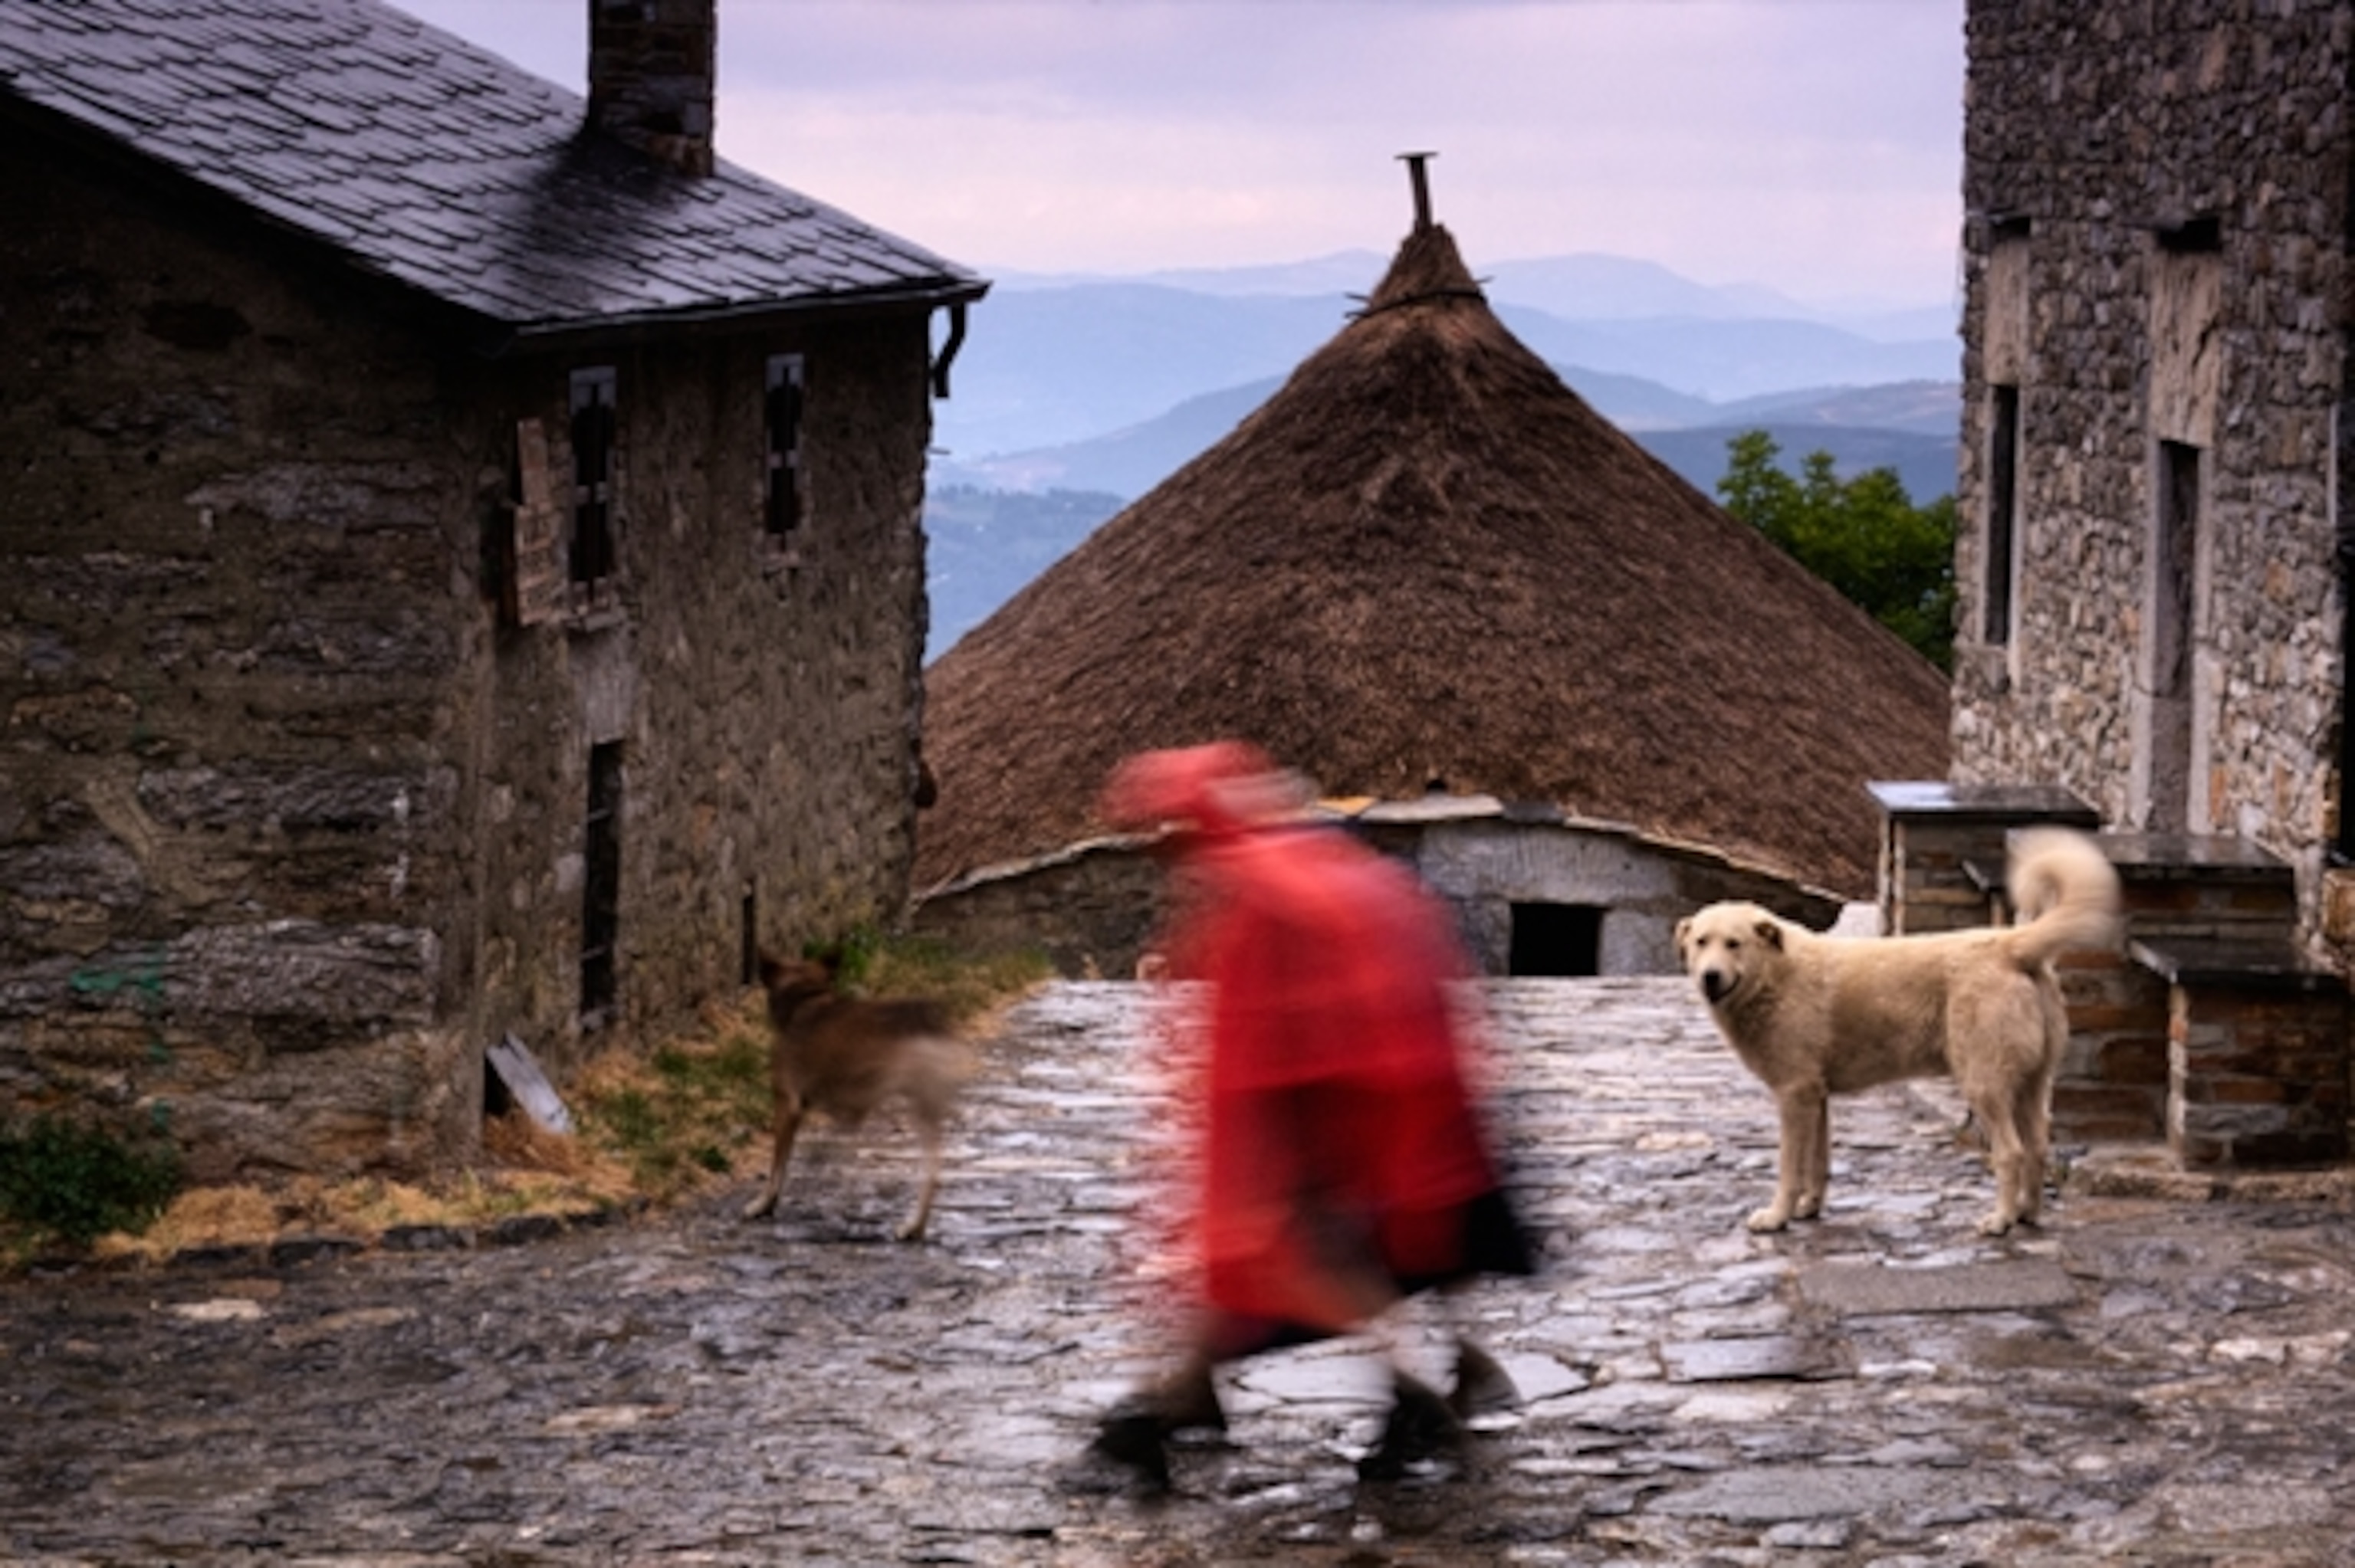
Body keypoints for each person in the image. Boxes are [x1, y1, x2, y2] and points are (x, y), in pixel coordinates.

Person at [1090, 740, 1535, 1489]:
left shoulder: (1268, 896)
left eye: (1167, 838)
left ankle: (1409, 1400)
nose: (1163, 859)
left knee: (1295, 1257)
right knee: (1417, 1243)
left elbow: (1283, 1033)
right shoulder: (1336, 867)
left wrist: (1282, 1152)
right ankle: (1195, 1395)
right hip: (1417, 1096)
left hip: (1344, 1108)